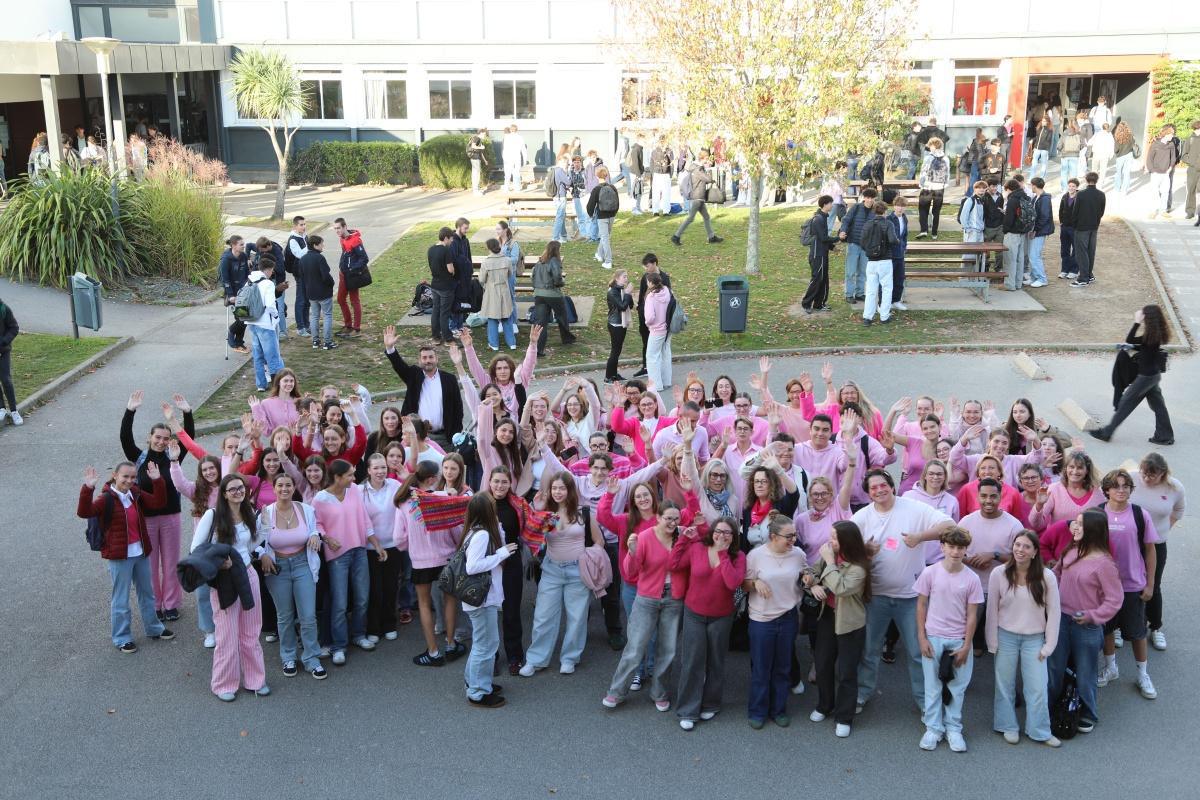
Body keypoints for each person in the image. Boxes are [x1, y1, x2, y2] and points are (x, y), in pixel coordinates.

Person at [855, 469, 955, 714]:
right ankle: (861, 694)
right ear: (868, 493)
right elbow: (845, 548)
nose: (879, 490)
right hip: (875, 597)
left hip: (912, 598)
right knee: (869, 651)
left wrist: (921, 536)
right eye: (873, 488)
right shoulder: (862, 516)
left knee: (918, 653)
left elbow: (949, 526)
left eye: (883, 485)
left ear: (891, 485)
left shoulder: (913, 508)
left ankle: (925, 703)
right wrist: (865, 551)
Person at [78, 461, 174, 653]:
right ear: (115, 475)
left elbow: (158, 503)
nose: (129, 481)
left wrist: (158, 481)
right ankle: (122, 637)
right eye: (125, 477)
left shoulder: (135, 494)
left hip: (140, 553)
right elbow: (84, 512)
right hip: (119, 556)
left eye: (133, 477)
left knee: (147, 594)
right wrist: (88, 488)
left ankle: (154, 628)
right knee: (121, 599)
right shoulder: (106, 498)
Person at [189, 474, 269, 701]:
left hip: (247, 574)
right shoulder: (212, 515)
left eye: (241, 488)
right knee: (226, 635)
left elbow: (250, 545)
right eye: (232, 489)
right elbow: (196, 549)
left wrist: (265, 528)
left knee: (251, 632)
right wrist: (219, 562)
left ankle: (256, 680)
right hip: (224, 581)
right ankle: (224, 684)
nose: (238, 492)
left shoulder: (248, 512)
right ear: (224, 494)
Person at [520, 473, 605, 676]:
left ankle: (569, 658)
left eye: (562, 488)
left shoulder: (583, 512)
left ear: (570, 490)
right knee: (543, 616)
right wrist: (537, 510)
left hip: (578, 570)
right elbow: (530, 536)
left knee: (577, 617)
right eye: (554, 488)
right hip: (551, 569)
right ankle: (536, 659)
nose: (558, 492)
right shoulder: (546, 513)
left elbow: (599, 540)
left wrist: (589, 556)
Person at [1046, 510, 1122, 733]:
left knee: (1086, 671)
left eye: (1080, 524)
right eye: (1074, 523)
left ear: (1093, 529)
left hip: (1086, 627)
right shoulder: (1071, 550)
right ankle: (1049, 709)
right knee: (1054, 668)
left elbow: (1114, 600)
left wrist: (1092, 616)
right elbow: (1056, 575)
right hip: (1060, 621)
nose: (1074, 527)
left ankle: (1089, 713)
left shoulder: (1105, 564)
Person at [986, 530, 1061, 747]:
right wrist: (992, 641)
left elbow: (1054, 612)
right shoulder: (998, 574)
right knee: (1004, 685)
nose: (1020, 550)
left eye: (1026, 546)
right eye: (1017, 545)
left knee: (1037, 687)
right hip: (1005, 636)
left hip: (1034, 638)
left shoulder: (1047, 577)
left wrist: (1049, 645)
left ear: (1035, 552)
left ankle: (1040, 730)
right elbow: (992, 610)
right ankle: (1007, 725)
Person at [671, 515, 746, 730]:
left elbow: (732, 583)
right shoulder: (697, 549)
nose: (721, 536)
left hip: (721, 616)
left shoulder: (738, 557)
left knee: (715, 661)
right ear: (711, 532)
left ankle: (711, 703)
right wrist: (684, 540)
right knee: (692, 661)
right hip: (694, 613)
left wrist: (723, 554)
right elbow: (674, 564)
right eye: (718, 531)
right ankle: (687, 709)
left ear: (733, 537)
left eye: (727, 532)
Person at [1092, 469, 1161, 700]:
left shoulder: (1141, 515)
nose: (1121, 490)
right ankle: (1111, 668)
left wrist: (1150, 584)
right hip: (1104, 586)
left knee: (1137, 632)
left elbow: (1150, 551)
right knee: (1108, 629)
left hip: (1133, 584)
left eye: (1125, 486)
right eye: (1116, 486)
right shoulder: (1098, 514)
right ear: (1107, 490)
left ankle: (1143, 674)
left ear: (1131, 489)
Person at [312, 459, 386, 666]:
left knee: (362, 597)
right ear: (337, 477)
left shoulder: (354, 490)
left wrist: (376, 545)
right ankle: (339, 646)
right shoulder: (320, 499)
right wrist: (326, 537)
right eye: (350, 475)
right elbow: (315, 524)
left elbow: (364, 519)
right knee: (340, 603)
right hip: (337, 557)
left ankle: (358, 635)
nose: (354, 479)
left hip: (359, 550)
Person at [915, 526, 983, 752]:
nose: (955, 552)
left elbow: (973, 615)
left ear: (966, 550)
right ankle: (933, 728)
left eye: (960, 547)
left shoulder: (972, 578)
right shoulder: (930, 573)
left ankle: (953, 728)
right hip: (933, 636)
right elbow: (921, 605)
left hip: (958, 639)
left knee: (957, 686)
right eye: (951, 546)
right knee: (932, 686)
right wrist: (922, 637)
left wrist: (966, 645)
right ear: (942, 547)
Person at [803, 519, 870, 738]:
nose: (829, 541)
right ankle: (825, 705)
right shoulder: (829, 557)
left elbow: (840, 588)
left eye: (834, 537)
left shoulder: (859, 566)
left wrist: (830, 561)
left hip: (850, 623)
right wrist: (811, 583)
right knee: (822, 664)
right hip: (827, 617)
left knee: (847, 672)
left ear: (846, 541)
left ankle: (844, 716)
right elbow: (812, 571)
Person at [258, 471, 327, 680]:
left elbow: (314, 530)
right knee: (285, 616)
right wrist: (262, 555)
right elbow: (255, 541)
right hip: (277, 568)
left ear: (293, 488)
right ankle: (288, 656)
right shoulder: (265, 513)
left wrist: (315, 536)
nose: (284, 489)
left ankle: (312, 658)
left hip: (302, 564)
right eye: (280, 486)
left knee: (307, 615)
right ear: (275, 488)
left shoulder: (305, 509)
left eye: (288, 485)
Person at [743, 513, 805, 730]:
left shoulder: (797, 554)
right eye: (788, 536)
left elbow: (805, 574)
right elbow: (745, 584)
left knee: (783, 667)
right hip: (762, 620)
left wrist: (809, 579)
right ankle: (758, 711)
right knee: (761, 668)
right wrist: (755, 583)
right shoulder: (755, 555)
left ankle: (779, 710)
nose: (793, 540)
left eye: (794, 535)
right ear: (772, 536)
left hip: (788, 618)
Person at [461, 493, 519, 707]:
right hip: (482, 599)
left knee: (483, 643)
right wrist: (501, 553)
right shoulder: (482, 534)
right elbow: (473, 566)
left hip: (480, 599)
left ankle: (476, 682)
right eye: (493, 507)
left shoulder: (475, 530)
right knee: (486, 645)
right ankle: (477, 691)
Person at [1090, 305, 1173, 445]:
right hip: (1154, 376)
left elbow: (1131, 338)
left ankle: (1106, 433)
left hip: (1145, 378)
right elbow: (1147, 348)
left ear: (1148, 319)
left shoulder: (1150, 335)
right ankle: (1165, 436)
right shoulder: (1157, 333)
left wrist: (1136, 322)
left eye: (1144, 316)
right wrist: (1131, 347)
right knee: (1159, 406)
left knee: (1125, 404)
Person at [1131, 453, 1185, 651]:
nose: (1146, 478)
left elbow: (1179, 511)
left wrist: (1162, 530)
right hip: (1130, 542)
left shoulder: (1174, 487)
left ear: (1162, 473)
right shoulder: (1131, 478)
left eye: (1151, 475)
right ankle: (1120, 625)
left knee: (1153, 583)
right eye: (1144, 473)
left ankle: (1155, 627)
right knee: (1124, 582)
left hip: (1156, 544)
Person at [382, 326, 464, 449]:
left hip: (445, 437)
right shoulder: (414, 375)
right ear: (419, 360)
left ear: (437, 359)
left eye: (431, 357)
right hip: (416, 436)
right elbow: (399, 365)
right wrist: (390, 348)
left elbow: (458, 409)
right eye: (424, 358)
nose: (428, 361)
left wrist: (455, 433)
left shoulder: (449, 379)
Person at [244, 257, 284, 393]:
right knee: (273, 355)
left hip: (251, 321)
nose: (272, 273)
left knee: (258, 355)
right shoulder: (268, 284)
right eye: (272, 270)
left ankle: (261, 384)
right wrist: (277, 316)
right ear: (268, 269)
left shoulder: (249, 281)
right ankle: (277, 385)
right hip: (265, 324)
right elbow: (270, 305)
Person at [531, 240, 576, 356]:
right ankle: (567, 338)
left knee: (541, 323)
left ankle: (538, 350)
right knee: (562, 315)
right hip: (553, 294)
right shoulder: (554, 261)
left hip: (539, 294)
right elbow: (557, 278)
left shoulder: (539, 261)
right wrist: (562, 283)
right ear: (557, 250)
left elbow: (533, 277)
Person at [671, 149, 723, 246]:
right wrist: (709, 174)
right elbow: (708, 179)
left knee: (706, 217)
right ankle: (676, 236)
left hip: (699, 198)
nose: (707, 161)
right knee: (690, 218)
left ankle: (711, 237)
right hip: (697, 198)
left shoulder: (696, 168)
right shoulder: (698, 169)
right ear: (703, 158)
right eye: (706, 158)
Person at [860, 201, 899, 326]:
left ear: (874, 211)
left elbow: (862, 242)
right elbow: (892, 239)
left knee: (871, 290)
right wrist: (897, 241)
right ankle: (884, 316)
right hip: (885, 260)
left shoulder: (868, 224)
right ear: (885, 211)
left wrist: (870, 251)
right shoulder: (888, 224)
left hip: (871, 261)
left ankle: (867, 317)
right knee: (887, 289)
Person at [838, 186, 878, 304]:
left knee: (863, 272)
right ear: (864, 198)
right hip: (853, 244)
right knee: (850, 271)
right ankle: (849, 294)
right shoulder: (856, 207)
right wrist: (843, 231)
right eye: (868, 197)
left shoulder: (875, 211)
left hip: (866, 247)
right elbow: (846, 220)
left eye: (872, 198)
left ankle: (860, 293)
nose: (870, 200)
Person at [297, 235, 336, 351]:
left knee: (314, 316)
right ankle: (327, 342)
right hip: (323, 293)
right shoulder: (320, 258)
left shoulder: (303, 259)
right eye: (321, 243)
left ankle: (315, 341)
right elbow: (326, 276)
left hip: (311, 294)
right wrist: (332, 283)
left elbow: (302, 278)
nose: (323, 245)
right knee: (327, 315)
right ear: (315, 245)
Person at [800, 195, 838, 314]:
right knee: (817, 279)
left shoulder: (823, 218)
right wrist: (838, 238)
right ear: (825, 204)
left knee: (823, 279)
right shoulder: (818, 219)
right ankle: (806, 303)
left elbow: (821, 239)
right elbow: (823, 237)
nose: (832, 205)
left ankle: (819, 304)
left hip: (822, 253)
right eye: (831, 203)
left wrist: (832, 247)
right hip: (817, 255)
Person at [634, 253, 671, 377]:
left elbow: (668, 300)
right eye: (644, 266)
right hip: (645, 316)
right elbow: (641, 295)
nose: (646, 269)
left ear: (655, 264)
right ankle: (645, 367)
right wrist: (640, 310)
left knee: (658, 346)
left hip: (658, 320)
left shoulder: (664, 278)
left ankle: (657, 370)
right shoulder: (645, 277)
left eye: (648, 266)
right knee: (646, 342)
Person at [332, 218, 367, 338]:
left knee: (354, 300)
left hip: (352, 276)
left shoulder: (356, 240)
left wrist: (352, 269)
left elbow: (364, 258)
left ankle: (356, 329)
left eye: (339, 228)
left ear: (345, 227)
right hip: (343, 275)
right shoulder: (342, 239)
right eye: (335, 228)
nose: (337, 230)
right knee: (340, 299)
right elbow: (345, 254)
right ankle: (348, 325)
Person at [479, 238, 515, 351]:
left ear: (489, 248)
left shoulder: (486, 262)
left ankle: (494, 344)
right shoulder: (507, 260)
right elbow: (510, 274)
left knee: (492, 318)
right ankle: (511, 342)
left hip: (492, 291)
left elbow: (481, 279)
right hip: (504, 290)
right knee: (507, 317)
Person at [219, 236, 250, 354]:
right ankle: (232, 333)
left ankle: (239, 342)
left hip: (243, 291)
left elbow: (247, 273)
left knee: (244, 318)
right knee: (242, 318)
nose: (244, 246)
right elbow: (225, 279)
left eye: (244, 244)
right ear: (234, 245)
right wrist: (231, 295)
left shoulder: (243, 256)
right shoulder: (226, 259)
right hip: (232, 293)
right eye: (241, 244)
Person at [643, 272, 673, 390]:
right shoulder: (667, 290)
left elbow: (650, 317)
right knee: (666, 353)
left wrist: (647, 323)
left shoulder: (651, 296)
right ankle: (667, 381)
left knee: (652, 357)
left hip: (657, 330)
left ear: (650, 282)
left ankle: (656, 385)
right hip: (668, 328)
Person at [916, 138, 950, 239]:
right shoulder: (946, 158)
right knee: (936, 211)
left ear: (933, 146)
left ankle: (924, 230)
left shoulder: (928, 157)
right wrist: (944, 185)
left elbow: (923, 172)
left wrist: (921, 185)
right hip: (939, 188)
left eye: (930, 146)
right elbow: (947, 174)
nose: (929, 147)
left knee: (923, 208)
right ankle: (934, 233)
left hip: (928, 187)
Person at [587, 166, 620, 270]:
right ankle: (599, 254)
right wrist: (614, 213)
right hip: (612, 215)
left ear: (597, 176)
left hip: (601, 216)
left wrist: (591, 214)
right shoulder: (613, 187)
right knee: (605, 236)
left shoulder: (596, 189)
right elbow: (617, 202)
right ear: (606, 175)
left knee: (604, 238)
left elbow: (590, 205)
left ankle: (608, 261)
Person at [427, 226, 456, 345]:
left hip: (435, 284)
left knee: (436, 310)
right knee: (444, 312)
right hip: (445, 286)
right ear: (445, 238)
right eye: (450, 239)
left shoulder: (431, 249)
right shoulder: (446, 251)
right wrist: (454, 271)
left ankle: (435, 336)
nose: (451, 241)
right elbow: (450, 269)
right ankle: (448, 338)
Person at [606, 270, 635, 382]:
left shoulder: (622, 289)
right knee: (615, 351)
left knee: (618, 350)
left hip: (622, 323)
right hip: (615, 324)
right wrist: (627, 294)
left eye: (627, 276)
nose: (626, 279)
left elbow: (630, 305)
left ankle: (614, 375)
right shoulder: (612, 292)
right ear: (617, 278)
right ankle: (608, 376)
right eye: (624, 277)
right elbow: (622, 307)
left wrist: (628, 294)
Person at [284, 217, 310, 338]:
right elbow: (299, 254)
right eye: (301, 225)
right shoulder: (293, 240)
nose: (303, 227)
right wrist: (309, 246)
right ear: (295, 226)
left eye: (304, 224)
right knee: (301, 299)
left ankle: (307, 324)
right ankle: (300, 327)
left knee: (307, 299)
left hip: (307, 271)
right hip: (299, 273)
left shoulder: (305, 236)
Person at [1146, 125, 1179, 219]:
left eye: (1173, 134)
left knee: (1165, 192)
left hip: (1166, 173)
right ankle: (1153, 211)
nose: (1172, 136)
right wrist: (1152, 170)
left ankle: (1163, 211)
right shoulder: (1155, 144)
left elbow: (1173, 158)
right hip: (1156, 172)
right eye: (1171, 134)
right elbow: (1149, 158)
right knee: (1155, 192)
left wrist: (1170, 168)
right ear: (1166, 134)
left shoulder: (1171, 145)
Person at [1026, 177, 1053, 288]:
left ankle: (1042, 278)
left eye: (1031, 185)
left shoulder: (1045, 199)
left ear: (1034, 186)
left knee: (1034, 256)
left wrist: (1035, 230)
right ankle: (1033, 277)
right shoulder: (1036, 197)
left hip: (1040, 231)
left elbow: (1044, 216)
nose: (1030, 187)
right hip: (1035, 230)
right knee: (1032, 254)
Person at [887, 195, 911, 311]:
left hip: (900, 254)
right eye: (898, 206)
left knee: (899, 278)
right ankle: (885, 302)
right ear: (894, 206)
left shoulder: (905, 218)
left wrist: (904, 246)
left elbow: (905, 235)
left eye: (902, 206)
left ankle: (896, 300)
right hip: (890, 254)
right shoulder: (889, 219)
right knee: (888, 280)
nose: (900, 208)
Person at [0, 297, 20, 426]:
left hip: (3, 351)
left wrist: (3, 342)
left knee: (6, 380)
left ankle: (14, 411)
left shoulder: (4, 309)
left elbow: (14, 328)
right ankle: (1, 408)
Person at [1057, 178, 1080, 280]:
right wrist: (1061, 222)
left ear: (1077, 187)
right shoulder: (1064, 197)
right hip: (1065, 227)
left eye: (1073, 186)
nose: (1071, 188)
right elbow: (1061, 210)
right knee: (1064, 249)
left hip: (1074, 228)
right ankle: (1064, 270)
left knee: (1075, 250)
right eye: (1070, 186)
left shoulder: (1079, 197)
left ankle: (1074, 270)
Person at [649, 135, 674, 216]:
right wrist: (671, 174)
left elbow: (651, 164)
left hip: (657, 173)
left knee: (656, 193)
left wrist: (653, 173)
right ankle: (665, 211)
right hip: (664, 173)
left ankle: (655, 211)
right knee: (666, 193)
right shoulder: (669, 151)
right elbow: (671, 164)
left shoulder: (654, 151)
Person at [1112, 121, 1137, 199]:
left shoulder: (1117, 136)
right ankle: (1124, 191)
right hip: (1129, 155)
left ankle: (1117, 188)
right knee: (1127, 173)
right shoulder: (1131, 136)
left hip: (1120, 156)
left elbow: (1116, 150)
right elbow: (1133, 144)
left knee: (1118, 172)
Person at [501, 125, 527, 192]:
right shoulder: (520, 137)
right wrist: (524, 160)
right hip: (516, 157)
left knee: (507, 174)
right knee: (516, 173)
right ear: (516, 130)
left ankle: (506, 188)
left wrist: (504, 158)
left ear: (510, 130)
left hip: (508, 157)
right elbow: (523, 150)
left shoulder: (506, 137)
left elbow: (504, 149)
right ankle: (517, 188)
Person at [626, 132, 646, 215]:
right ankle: (634, 209)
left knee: (639, 191)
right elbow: (635, 163)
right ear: (639, 140)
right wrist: (639, 175)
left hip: (638, 173)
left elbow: (640, 163)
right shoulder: (636, 149)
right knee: (634, 191)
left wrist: (642, 171)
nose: (645, 141)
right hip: (635, 173)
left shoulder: (640, 148)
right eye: (643, 140)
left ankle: (638, 207)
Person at [467, 127, 488, 195]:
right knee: (476, 174)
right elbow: (473, 146)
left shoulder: (479, 140)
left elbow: (480, 152)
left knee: (475, 174)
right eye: (484, 134)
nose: (485, 135)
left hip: (476, 158)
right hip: (475, 158)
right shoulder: (477, 138)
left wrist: (485, 160)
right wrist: (481, 147)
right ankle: (476, 191)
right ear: (481, 133)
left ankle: (476, 190)